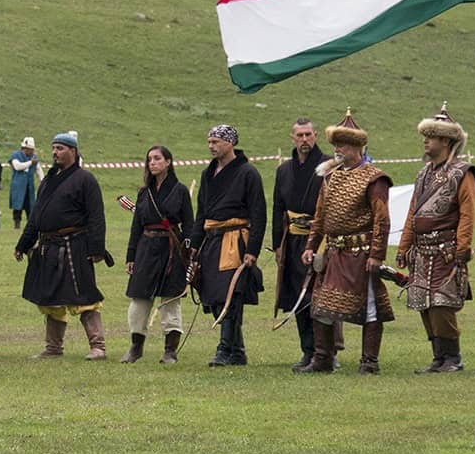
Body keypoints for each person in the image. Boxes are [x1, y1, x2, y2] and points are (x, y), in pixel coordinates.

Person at [299, 111, 394, 374]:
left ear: (357, 147)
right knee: (321, 306)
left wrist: (377, 255)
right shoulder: (330, 176)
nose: (337, 150)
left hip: (362, 253)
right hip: (333, 253)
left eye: (342, 145)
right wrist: (310, 246)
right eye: (336, 144)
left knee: (370, 306)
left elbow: (382, 221)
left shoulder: (374, 178)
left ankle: (369, 362)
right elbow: (320, 217)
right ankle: (323, 359)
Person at [398, 104, 475, 373]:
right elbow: (413, 213)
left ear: (445, 140)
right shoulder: (424, 173)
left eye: (430, 137)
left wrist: (463, 247)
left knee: (443, 305)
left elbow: (467, 212)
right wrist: (404, 246)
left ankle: (453, 358)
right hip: (421, 251)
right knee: (424, 304)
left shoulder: (462, 173)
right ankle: (437, 357)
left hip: (446, 250)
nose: (425, 141)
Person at [15, 131, 109, 360]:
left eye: (60, 148)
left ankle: (98, 347)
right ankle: (53, 348)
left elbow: (96, 216)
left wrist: (96, 249)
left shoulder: (85, 179)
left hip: (74, 246)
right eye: (54, 148)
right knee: (51, 299)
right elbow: (36, 216)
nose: (55, 152)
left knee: (84, 297)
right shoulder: (48, 180)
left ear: (73, 152)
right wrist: (23, 243)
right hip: (48, 247)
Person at [187, 124, 267, 367]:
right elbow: (201, 211)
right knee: (213, 296)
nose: (211, 146)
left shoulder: (248, 173)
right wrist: (194, 243)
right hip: (211, 241)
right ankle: (237, 351)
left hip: (235, 241)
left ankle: (224, 349)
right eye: (209, 141)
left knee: (229, 295)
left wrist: (252, 250)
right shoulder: (207, 174)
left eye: (216, 142)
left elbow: (259, 213)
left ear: (230, 143)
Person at [122, 145, 193, 364]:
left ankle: (170, 351)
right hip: (145, 247)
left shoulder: (180, 190)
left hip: (171, 248)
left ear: (168, 162)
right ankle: (136, 347)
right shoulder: (144, 193)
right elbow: (136, 227)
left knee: (170, 299)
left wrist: (190, 252)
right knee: (139, 300)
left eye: (157, 158)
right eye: (149, 159)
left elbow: (189, 224)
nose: (152, 162)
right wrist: (131, 256)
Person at [273, 117, 329, 369]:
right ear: (292, 138)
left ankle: (325, 353)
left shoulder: (328, 166)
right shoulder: (284, 170)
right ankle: (307, 351)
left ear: (315, 135)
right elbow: (278, 209)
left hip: (320, 240)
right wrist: (277, 244)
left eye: (308, 135)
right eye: (300, 135)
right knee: (298, 296)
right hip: (293, 240)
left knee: (320, 296)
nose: (304, 140)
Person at [8, 136, 40, 228]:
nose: (32, 152)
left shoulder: (34, 157)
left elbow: (38, 170)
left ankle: (30, 226)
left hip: (29, 186)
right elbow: (18, 166)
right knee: (17, 206)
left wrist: (42, 180)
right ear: (25, 149)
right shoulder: (15, 155)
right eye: (31, 149)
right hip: (18, 185)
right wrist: (30, 163)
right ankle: (17, 225)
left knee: (30, 206)